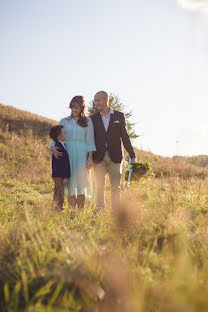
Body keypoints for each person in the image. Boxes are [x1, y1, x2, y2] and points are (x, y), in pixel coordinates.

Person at [91, 91, 136, 211]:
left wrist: (132, 155)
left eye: (98, 100)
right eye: (95, 101)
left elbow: (125, 137)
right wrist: (89, 157)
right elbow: (90, 139)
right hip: (98, 156)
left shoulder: (119, 116)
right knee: (99, 186)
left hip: (115, 156)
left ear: (106, 100)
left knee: (115, 187)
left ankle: (116, 212)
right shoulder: (93, 119)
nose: (96, 103)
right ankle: (100, 210)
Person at [50, 96, 96, 208]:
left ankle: (80, 212)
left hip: (82, 154)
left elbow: (90, 140)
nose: (74, 110)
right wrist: (52, 147)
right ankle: (72, 211)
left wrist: (90, 158)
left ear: (82, 108)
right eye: (72, 107)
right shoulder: (64, 121)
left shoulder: (88, 121)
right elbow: (55, 136)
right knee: (69, 183)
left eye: (76, 108)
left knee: (81, 183)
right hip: (68, 154)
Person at [49, 125, 71, 211]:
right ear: (59, 136)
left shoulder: (63, 145)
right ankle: (57, 209)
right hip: (59, 175)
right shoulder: (58, 148)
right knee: (59, 192)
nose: (66, 134)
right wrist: (65, 176)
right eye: (64, 133)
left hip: (59, 174)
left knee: (59, 191)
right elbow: (61, 164)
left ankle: (57, 208)